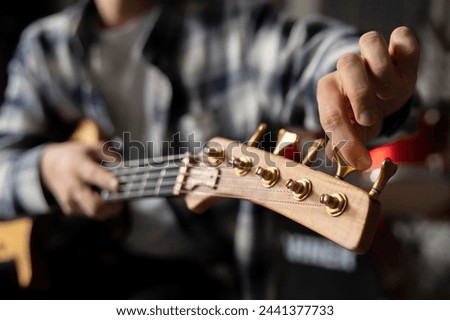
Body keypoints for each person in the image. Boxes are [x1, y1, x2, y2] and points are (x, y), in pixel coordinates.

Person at [0, 0, 420, 299]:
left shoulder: (237, 27)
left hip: (220, 282)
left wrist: (363, 83)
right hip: (77, 272)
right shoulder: (43, 50)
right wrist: (45, 167)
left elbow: (314, 55)